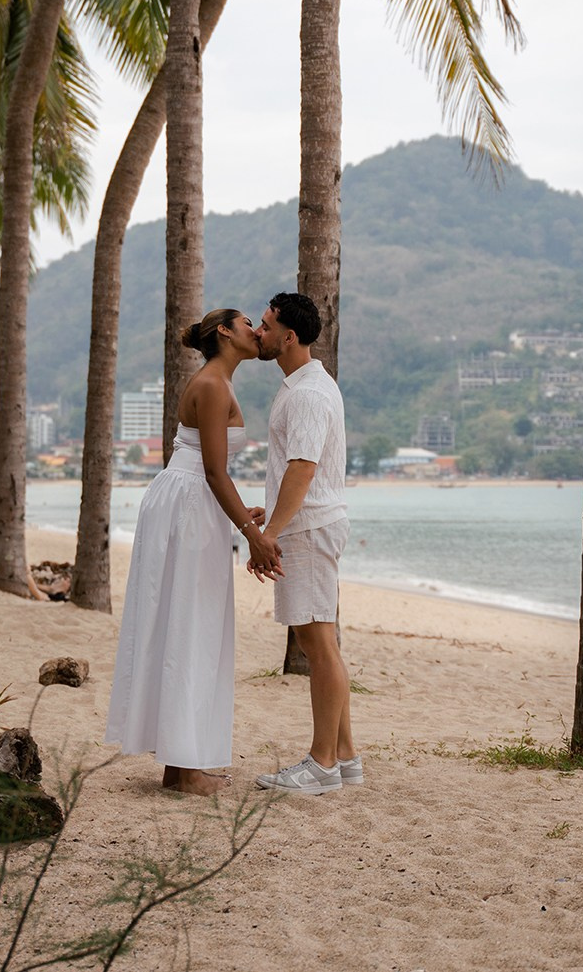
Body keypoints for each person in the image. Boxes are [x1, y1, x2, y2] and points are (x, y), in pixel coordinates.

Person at [105, 309, 283, 797]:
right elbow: (211, 470)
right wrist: (251, 532)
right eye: (248, 321)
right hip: (186, 504)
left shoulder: (219, 382)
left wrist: (236, 513)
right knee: (188, 624)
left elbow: (208, 471)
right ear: (224, 332)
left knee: (191, 624)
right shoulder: (211, 384)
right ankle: (183, 769)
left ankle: (179, 763)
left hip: (191, 502)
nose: (256, 328)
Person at [250, 292, 361, 795]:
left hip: (309, 529)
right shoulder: (302, 386)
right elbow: (295, 470)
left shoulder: (309, 393)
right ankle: (346, 758)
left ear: (288, 337)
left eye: (267, 325)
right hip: (307, 523)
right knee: (324, 643)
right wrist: (269, 515)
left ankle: (322, 765)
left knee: (319, 647)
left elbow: (304, 468)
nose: (259, 332)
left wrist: (269, 533)